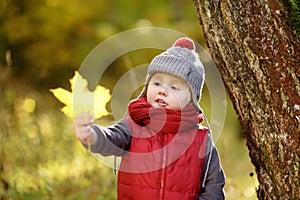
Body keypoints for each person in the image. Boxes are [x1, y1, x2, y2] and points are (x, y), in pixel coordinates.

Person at [74, 37, 225, 199]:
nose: (162, 91)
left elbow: (213, 186)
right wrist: (92, 135)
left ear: (191, 99)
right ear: (147, 87)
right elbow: (111, 138)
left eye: (174, 87)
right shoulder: (133, 124)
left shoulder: (200, 139)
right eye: (157, 83)